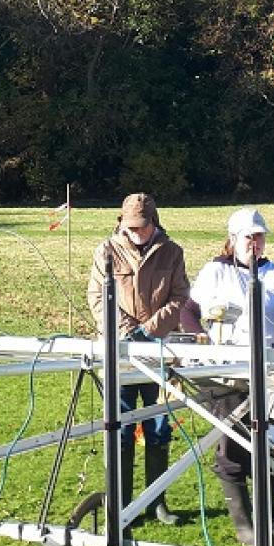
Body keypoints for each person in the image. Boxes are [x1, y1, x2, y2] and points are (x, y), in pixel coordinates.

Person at [189, 207, 274, 546]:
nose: (255, 243)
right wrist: (199, 340)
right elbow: (190, 310)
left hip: (272, 371)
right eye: (249, 237)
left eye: (260, 237)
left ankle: (269, 521)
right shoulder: (216, 270)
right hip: (228, 371)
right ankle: (245, 526)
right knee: (232, 446)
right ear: (234, 239)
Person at [86, 192, 192, 526]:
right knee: (119, 429)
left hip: (159, 352)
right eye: (132, 226)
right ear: (122, 222)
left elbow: (180, 298)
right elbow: (97, 297)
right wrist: (127, 330)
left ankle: (156, 501)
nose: (138, 232)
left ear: (154, 222)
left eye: (143, 226)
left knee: (158, 428)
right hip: (120, 356)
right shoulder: (105, 251)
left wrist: (149, 330)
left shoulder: (173, 253)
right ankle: (122, 505)